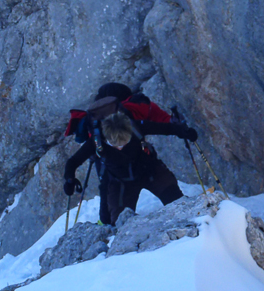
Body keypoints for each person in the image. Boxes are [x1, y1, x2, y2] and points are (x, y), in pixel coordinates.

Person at [63, 84, 197, 225]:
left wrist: (184, 132)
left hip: (149, 170)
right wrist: (69, 179)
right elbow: (73, 161)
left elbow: (167, 128)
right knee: (118, 224)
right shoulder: (96, 140)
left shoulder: (136, 126)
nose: (120, 147)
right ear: (105, 137)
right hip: (120, 182)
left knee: (177, 202)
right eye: (115, 144)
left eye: (125, 142)